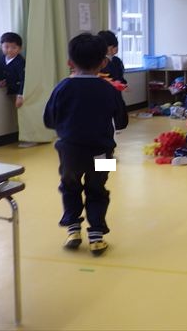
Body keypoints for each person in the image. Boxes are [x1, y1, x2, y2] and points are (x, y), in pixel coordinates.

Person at [44, 33, 128, 256]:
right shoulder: (109, 89)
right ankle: (97, 236)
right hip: (104, 152)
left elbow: (49, 120)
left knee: (69, 186)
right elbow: (122, 121)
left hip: (70, 152)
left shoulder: (62, 88)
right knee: (99, 188)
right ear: (103, 62)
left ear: (70, 62)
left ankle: (73, 229)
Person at [0, 32, 25, 108]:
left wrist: (20, 96)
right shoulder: (2, 58)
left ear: (20, 49)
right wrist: (3, 80)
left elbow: (23, 80)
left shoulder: (20, 62)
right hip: (9, 91)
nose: (9, 50)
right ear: (1, 47)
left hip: (18, 91)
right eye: (6, 47)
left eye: (14, 47)